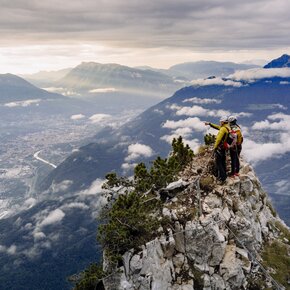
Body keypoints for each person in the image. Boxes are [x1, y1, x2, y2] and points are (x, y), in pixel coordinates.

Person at [205, 116, 230, 182]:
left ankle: (222, 178)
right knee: (223, 161)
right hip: (224, 148)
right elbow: (217, 127)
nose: (220, 123)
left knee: (218, 163)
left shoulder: (223, 129)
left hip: (220, 148)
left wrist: (215, 147)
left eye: (220, 121)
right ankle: (224, 175)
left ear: (223, 122)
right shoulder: (227, 127)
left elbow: (218, 139)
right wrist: (210, 124)